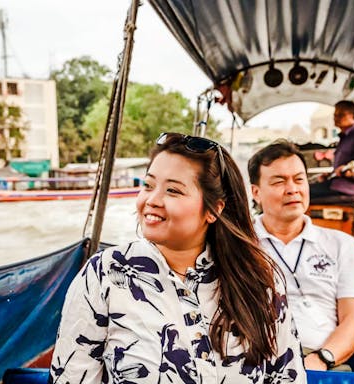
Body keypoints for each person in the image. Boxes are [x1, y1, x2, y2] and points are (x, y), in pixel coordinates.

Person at [49, 132, 306, 383]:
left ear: (213, 210)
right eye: (148, 185)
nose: (152, 200)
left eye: (173, 191)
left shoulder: (258, 280)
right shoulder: (105, 274)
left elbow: (288, 375)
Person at [248, 139, 354, 371]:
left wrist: (321, 359)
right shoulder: (238, 243)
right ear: (256, 193)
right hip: (258, 362)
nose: (292, 189)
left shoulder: (341, 244)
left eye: (299, 179)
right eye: (279, 181)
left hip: (325, 362)